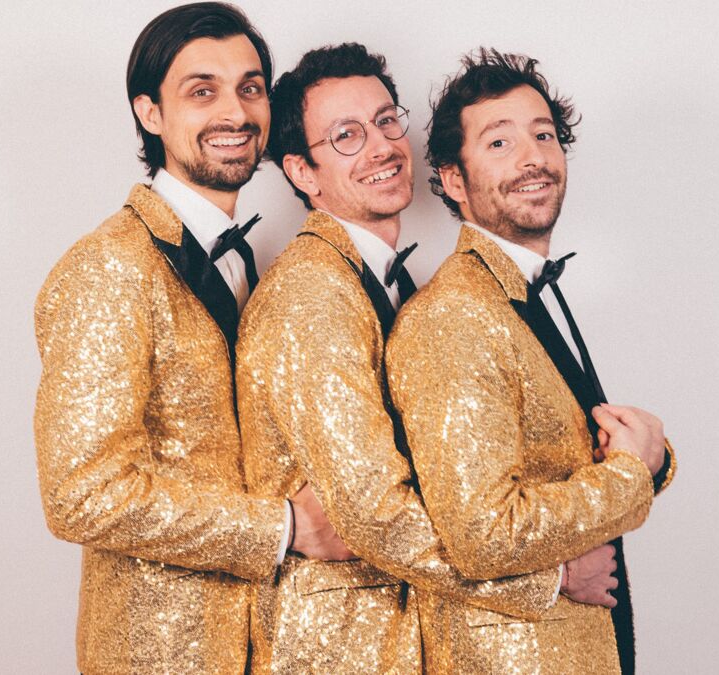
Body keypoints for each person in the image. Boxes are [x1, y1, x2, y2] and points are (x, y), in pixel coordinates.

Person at [235, 43, 620, 674]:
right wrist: (551, 577)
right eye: (346, 136)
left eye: (387, 121)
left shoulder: (381, 280)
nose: (382, 147)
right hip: (340, 651)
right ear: (302, 171)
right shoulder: (311, 293)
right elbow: (375, 513)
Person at [32, 5, 349, 673]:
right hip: (159, 655)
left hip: (271, 646)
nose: (235, 112)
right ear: (150, 112)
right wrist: (286, 526)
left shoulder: (249, 260)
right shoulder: (109, 266)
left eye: (250, 87)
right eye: (202, 91)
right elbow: (80, 495)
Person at [386, 48, 677, 673]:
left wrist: (650, 460)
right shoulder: (454, 315)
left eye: (543, 135)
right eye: (499, 142)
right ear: (454, 181)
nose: (532, 158)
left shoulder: (527, 290)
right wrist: (633, 473)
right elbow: (483, 534)